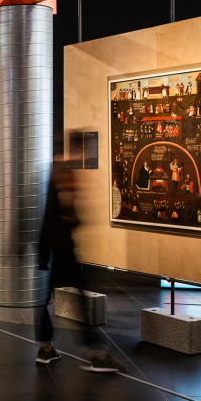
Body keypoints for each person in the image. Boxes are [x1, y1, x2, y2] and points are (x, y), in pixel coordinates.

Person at [35, 156, 127, 372]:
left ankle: (46, 349)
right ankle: (98, 354)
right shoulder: (65, 173)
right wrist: (77, 219)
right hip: (63, 248)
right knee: (81, 300)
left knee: (43, 300)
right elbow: (68, 210)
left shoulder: (54, 172)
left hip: (50, 248)